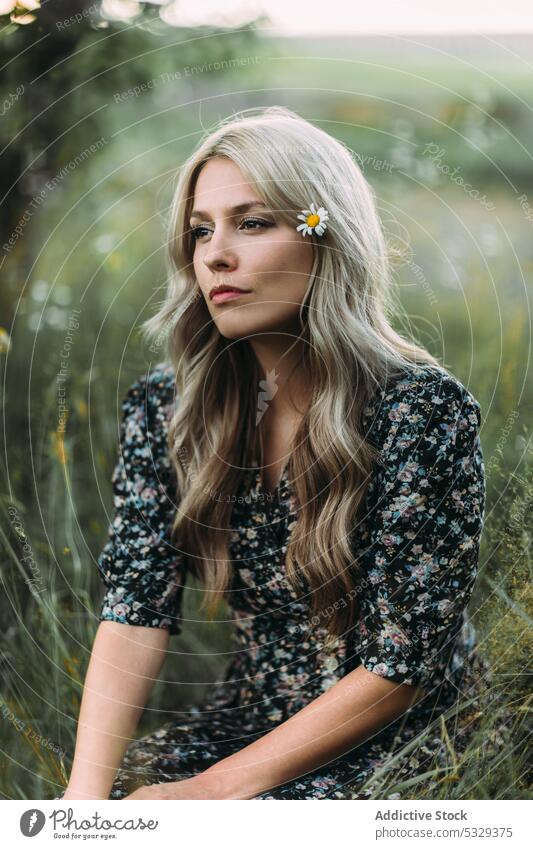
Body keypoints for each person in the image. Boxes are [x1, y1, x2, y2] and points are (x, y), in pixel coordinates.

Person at [56, 106, 489, 801]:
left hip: (405, 730)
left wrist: (208, 792)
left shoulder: (419, 410)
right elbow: (135, 605)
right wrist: (83, 804)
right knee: (127, 795)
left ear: (324, 236)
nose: (214, 254)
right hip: (253, 716)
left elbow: (405, 664)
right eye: (201, 230)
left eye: (251, 223)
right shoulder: (169, 409)